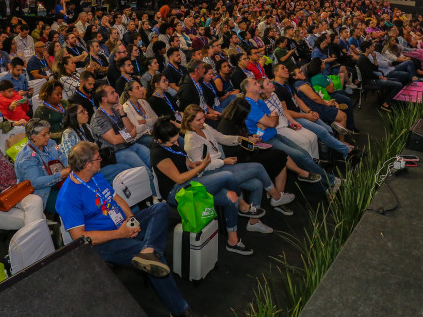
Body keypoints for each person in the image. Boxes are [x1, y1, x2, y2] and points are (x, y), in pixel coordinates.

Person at [56, 141, 199, 317]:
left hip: (122, 226)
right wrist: (120, 233)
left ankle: (149, 250)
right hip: (101, 244)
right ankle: (180, 310)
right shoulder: (68, 196)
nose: (101, 160)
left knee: (160, 209)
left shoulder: (95, 175)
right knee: (156, 259)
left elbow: (116, 198)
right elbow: (81, 237)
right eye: (97, 158)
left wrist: (131, 219)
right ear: (88, 165)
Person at [149, 118, 254, 255]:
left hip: (190, 182)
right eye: (173, 142)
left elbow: (183, 159)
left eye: (176, 140)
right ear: (161, 141)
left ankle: (232, 242)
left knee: (231, 197)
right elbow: (179, 179)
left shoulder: (170, 144)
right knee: (227, 176)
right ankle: (243, 206)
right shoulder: (158, 153)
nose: (176, 143)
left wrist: (194, 164)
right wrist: (202, 167)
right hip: (177, 191)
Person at [182, 105, 294, 233]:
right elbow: (202, 166)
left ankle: (254, 222)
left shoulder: (205, 127)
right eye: (198, 120)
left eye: (203, 118)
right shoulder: (190, 141)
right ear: (189, 121)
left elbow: (222, 138)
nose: (203, 121)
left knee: (257, 184)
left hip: (222, 166)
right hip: (212, 173)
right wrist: (223, 161)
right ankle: (277, 196)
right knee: (258, 167)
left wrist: (240, 139)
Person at [240, 80, 340, 196]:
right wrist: (270, 120)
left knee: (304, 154)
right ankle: (331, 181)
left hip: (274, 134)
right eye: (255, 83)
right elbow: (272, 123)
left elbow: (274, 118)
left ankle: (326, 186)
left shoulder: (260, 102)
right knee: (301, 156)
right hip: (265, 142)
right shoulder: (249, 104)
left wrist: (269, 120)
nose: (258, 84)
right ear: (248, 89)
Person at [90, 85, 152, 180]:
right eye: (112, 93)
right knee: (145, 172)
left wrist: (123, 114)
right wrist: (130, 135)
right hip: (117, 151)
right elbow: (114, 140)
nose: (117, 94)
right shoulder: (98, 118)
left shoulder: (116, 110)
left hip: (131, 144)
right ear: (104, 99)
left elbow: (132, 129)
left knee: (153, 162)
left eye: (115, 91)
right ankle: (154, 194)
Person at [14, 119, 69, 215]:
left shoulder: (50, 143)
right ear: (33, 137)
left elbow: (62, 156)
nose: (48, 136)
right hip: (43, 193)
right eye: (44, 135)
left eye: (48, 133)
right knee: (71, 202)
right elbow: (35, 182)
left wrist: (68, 166)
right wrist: (60, 175)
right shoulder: (27, 157)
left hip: (59, 182)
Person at [356, 40, 402, 113]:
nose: (373, 47)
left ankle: (389, 99)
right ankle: (385, 103)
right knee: (399, 85)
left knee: (397, 80)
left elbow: (375, 67)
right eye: (371, 46)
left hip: (372, 79)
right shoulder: (363, 59)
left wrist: (374, 58)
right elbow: (369, 74)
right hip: (370, 81)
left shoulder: (365, 58)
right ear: (367, 49)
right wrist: (379, 77)